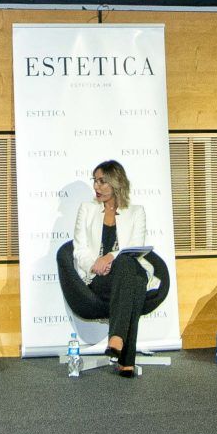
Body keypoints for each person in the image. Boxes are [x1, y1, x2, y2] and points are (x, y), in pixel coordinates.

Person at [69, 160, 160, 378]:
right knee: (135, 283)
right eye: (95, 181)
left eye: (102, 181)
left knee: (127, 265)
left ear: (116, 183)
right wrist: (95, 265)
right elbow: (79, 249)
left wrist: (110, 257)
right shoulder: (87, 209)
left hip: (126, 269)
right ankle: (125, 355)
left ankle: (118, 340)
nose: (96, 186)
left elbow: (135, 247)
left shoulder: (136, 212)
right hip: (100, 278)